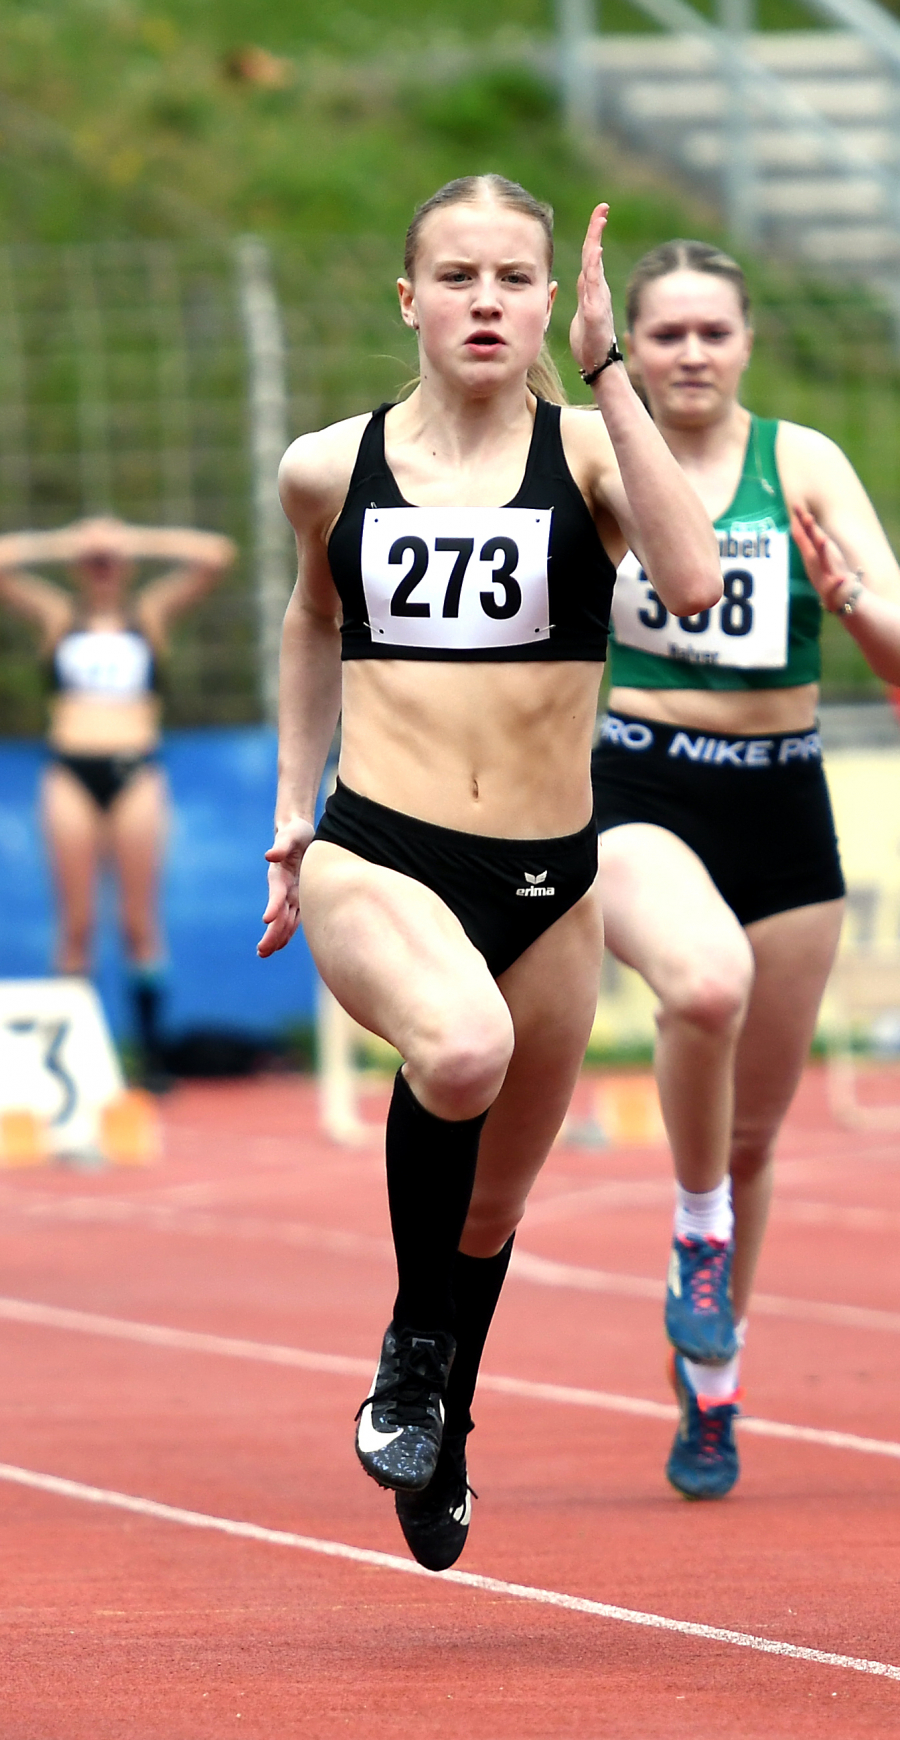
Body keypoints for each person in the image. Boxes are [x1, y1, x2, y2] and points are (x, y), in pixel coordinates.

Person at [259, 176, 721, 1570]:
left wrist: (610, 370)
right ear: (409, 297)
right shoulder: (328, 469)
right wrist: (293, 810)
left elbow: (691, 582)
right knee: (460, 1052)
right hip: (381, 853)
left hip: (549, 883)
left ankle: (442, 1421)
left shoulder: (588, 459)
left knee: (496, 1207)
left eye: (514, 279)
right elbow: (308, 617)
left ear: (547, 304)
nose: (485, 302)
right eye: (456, 276)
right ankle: (413, 1355)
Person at [591, 239, 900, 1499]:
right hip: (639, 786)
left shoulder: (803, 462)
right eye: (666, 334)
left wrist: (857, 604)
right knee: (701, 989)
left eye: (714, 332)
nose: (693, 354)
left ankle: (712, 1392)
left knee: (759, 1133)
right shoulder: (594, 452)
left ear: (748, 341)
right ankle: (694, 1226)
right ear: (634, 346)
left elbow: (894, 647)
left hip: (785, 800)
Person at [0, 515, 236, 1075]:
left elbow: (217, 554)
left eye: (111, 562)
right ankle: (65, 1064)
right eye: (94, 563)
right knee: (77, 926)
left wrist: (134, 538)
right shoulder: (61, 618)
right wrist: (72, 541)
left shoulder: (146, 617)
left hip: (136, 773)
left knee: (138, 922)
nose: (102, 569)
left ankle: (151, 1058)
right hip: (70, 772)